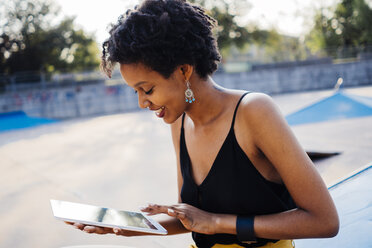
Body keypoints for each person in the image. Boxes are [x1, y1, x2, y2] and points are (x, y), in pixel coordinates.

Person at [68, 0, 339, 247]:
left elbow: (324, 220)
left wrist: (218, 222)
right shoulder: (179, 122)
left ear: (184, 70)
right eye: (135, 91)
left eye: (147, 89)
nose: (141, 103)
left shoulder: (254, 112)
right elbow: (192, 218)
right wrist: (127, 226)